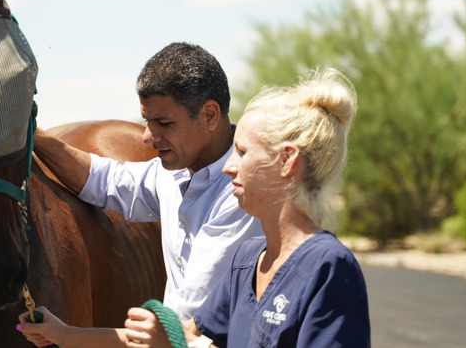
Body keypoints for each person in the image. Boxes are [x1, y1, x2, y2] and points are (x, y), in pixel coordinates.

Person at [18, 42, 262, 348]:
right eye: (147, 121)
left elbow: (182, 331)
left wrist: (70, 336)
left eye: (164, 123)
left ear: (210, 115)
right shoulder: (175, 172)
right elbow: (105, 181)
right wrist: (32, 133)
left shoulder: (240, 195)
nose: (148, 135)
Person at [123, 67, 370, 348]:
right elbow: (188, 336)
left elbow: (184, 343)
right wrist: (67, 336)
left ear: (287, 160)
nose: (228, 167)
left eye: (241, 152)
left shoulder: (328, 267)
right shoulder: (247, 259)